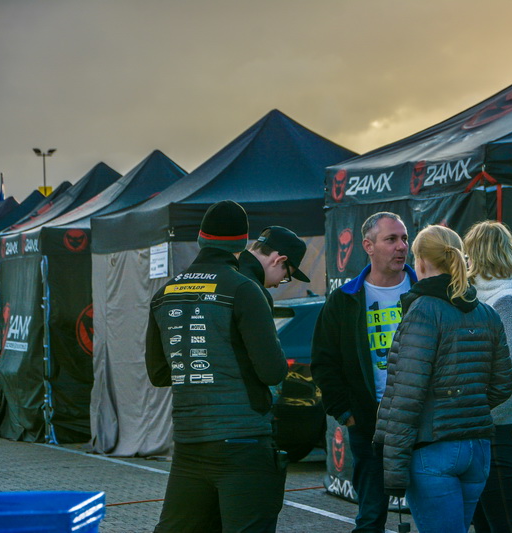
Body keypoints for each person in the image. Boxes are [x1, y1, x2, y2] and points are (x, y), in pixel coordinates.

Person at [145, 200, 307, 533]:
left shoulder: (165, 293)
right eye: (287, 275)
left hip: (189, 441)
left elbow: (158, 374)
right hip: (243, 443)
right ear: (241, 242)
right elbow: (273, 371)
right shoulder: (245, 289)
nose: (280, 282)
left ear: (201, 238)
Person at [373, 224, 512, 533]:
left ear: (422, 261)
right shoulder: (486, 313)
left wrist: (393, 468)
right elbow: (503, 385)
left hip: (434, 450)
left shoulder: (424, 310)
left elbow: (406, 396)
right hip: (476, 448)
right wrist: (464, 407)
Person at [311, 211, 416, 533]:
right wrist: (347, 413)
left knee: (435, 511)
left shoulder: (424, 292)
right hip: (369, 422)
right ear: (368, 246)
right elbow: (324, 362)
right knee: (370, 516)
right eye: (391, 239)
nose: (401, 246)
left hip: (422, 418)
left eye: (404, 238)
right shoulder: (344, 300)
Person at [464, 221, 512, 533]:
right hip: (488, 431)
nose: (465, 262)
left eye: (468, 254)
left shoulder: (507, 302)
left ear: (479, 255)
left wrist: (476, 419)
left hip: (500, 432)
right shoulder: (490, 299)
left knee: (506, 526)